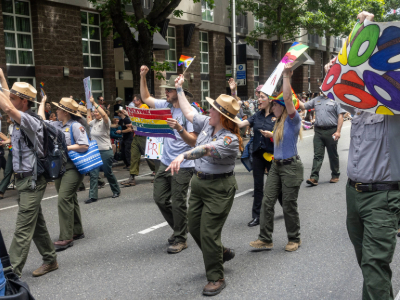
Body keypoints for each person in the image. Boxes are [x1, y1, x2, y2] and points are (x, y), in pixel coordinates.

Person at [326, 11, 400, 300]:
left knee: (373, 264)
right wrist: (360, 29)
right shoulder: (358, 106)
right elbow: (338, 86)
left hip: (382, 198)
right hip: (353, 195)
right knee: (368, 264)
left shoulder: (395, 109)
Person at [167, 75, 242, 296]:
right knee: (194, 227)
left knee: (208, 232)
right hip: (199, 183)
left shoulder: (230, 139)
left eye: (213, 110)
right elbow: (189, 112)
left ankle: (216, 277)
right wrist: (179, 89)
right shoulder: (208, 125)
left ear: (222, 116)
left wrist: (183, 156)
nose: (209, 111)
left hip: (219, 188)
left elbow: (207, 150)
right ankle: (219, 251)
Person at [0, 77, 58, 277]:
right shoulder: (19, 118)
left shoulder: (30, 120)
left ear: (24, 102)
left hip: (32, 181)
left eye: (13, 98)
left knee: (23, 227)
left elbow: (7, 108)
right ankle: (50, 259)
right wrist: (1, 78)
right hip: (23, 180)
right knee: (36, 223)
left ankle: (10, 275)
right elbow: (9, 104)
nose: (9, 100)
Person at [140, 66, 198, 253]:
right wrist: (142, 77)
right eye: (166, 89)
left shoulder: (189, 112)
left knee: (178, 200)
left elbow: (194, 141)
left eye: (169, 89)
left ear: (180, 92)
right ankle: (180, 227)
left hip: (183, 163)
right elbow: (146, 98)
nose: (165, 91)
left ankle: (180, 238)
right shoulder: (164, 106)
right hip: (165, 161)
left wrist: (180, 128)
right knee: (160, 198)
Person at [250, 61, 304, 252]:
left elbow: (288, 98)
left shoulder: (292, 118)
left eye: (274, 105)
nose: (272, 107)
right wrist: (270, 135)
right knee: (267, 201)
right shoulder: (278, 122)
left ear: (282, 107)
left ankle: (294, 238)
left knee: (288, 204)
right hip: (277, 165)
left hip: (291, 167)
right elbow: (282, 140)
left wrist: (287, 75)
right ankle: (265, 239)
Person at [230, 79, 283, 227]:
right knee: (258, 185)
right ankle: (257, 216)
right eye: (258, 97)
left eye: (262, 97)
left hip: (273, 155)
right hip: (258, 154)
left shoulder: (278, 114)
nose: (258, 99)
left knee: (275, 185)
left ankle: (287, 207)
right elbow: (240, 123)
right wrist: (233, 95)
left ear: (270, 99)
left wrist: (272, 135)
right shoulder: (256, 116)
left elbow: (284, 134)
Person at [39, 97, 89, 251]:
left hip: (73, 167)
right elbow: (41, 121)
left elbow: (84, 146)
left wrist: (67, 148)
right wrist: (42, 102)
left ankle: (66, 237)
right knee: (70, 198)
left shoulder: (75, 126)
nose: (56, 111)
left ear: (66, 112)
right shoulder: (56, 124)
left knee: (63, 199)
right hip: (60, 168)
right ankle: (77, 230)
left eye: (59, 109)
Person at [299, 92, 346, 186]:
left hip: (331, 131)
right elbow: (303, 106)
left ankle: (335, 175)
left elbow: (340, 116)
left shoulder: (336, 100)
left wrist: (338, 131)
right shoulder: (317, 99)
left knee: (333, 155)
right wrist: (293, 97)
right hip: (318, 131)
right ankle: (314, 177)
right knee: (317, 155)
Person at [85, 97, 121, 204]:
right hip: (95, 151)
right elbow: (88, 121)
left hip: (105, 151)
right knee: (94, 174)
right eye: (94, 112)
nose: (95, 113)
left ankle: (116, 190)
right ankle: (93, 196)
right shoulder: (94, 122)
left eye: (97, 112)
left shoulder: (106, 122)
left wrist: (94, 103)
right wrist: (88, 108)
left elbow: (105, 115)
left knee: (107, 172)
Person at [121, 94, 157, 187]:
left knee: (149, 157)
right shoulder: (138, 109)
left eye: (134, 100)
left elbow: (143, 117)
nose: (133, 102)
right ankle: (132, 177)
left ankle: (158, 173)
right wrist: (131, 124)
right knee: (134, 156)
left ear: (139, 100)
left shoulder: (144, 106)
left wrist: (128, 114)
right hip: (136, 135)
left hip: (144, 136)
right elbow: (137, 120)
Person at [0, 116, 14, 199]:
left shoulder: (17, 126)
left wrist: (4, 141)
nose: (7, 118)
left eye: (9, 117)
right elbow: (9, 140)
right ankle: (1, 190)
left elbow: (12, 140)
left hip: (18, 152)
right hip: (11, 151)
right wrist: (4, 143)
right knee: (8, 171)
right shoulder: (10, 127)